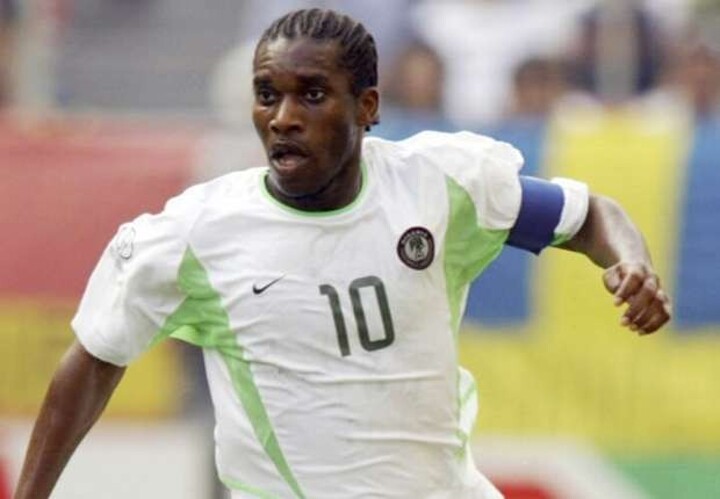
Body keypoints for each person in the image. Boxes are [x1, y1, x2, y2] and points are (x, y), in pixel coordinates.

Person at [15, 8, 672, 499]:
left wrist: (631, 263)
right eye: (267, 94)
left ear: (367, 106)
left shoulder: (439, 184)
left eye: (312, 94)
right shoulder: (195, 231)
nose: (283, 116)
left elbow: (590, 214)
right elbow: (94, 358)